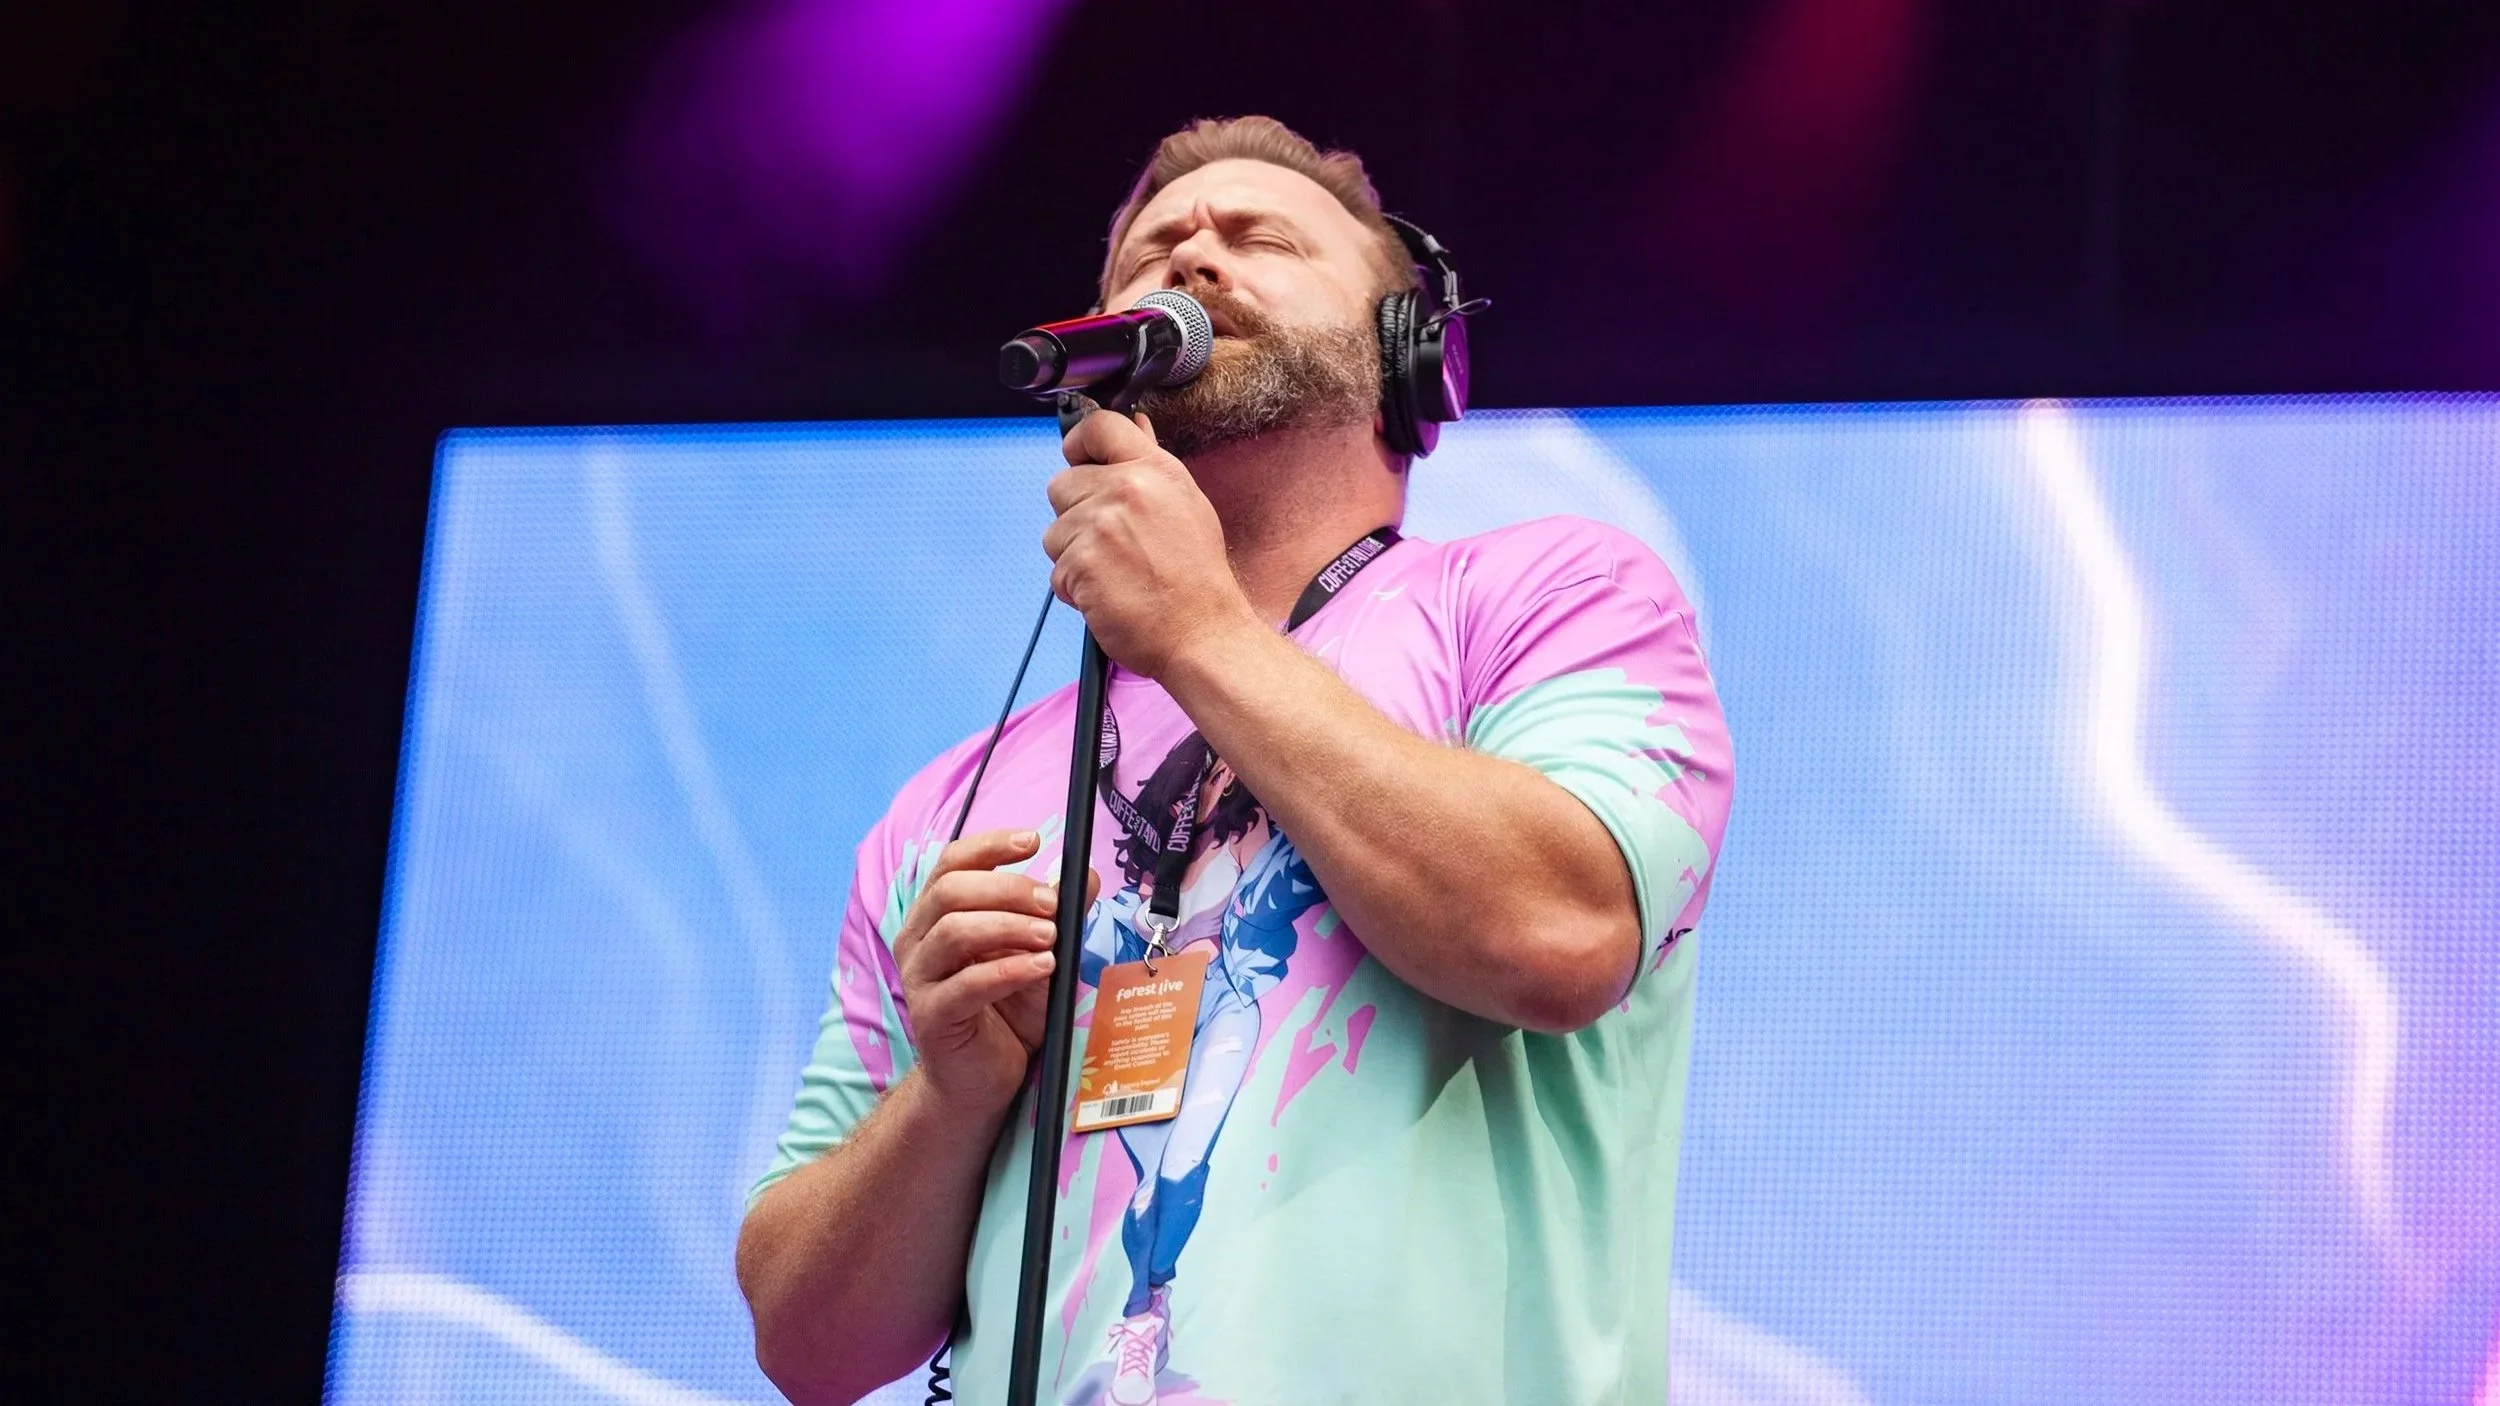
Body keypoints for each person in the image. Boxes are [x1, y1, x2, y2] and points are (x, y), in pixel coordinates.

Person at [736, 115, 1734, 1406]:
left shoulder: (1550, 595)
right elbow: (807, 1346)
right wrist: (948, 1093)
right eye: (1154, 251)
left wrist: (1200, 629)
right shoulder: (956, 804)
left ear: (1407, 356)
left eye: (1261, 239)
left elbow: (1560, 930)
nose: (1194, 257)